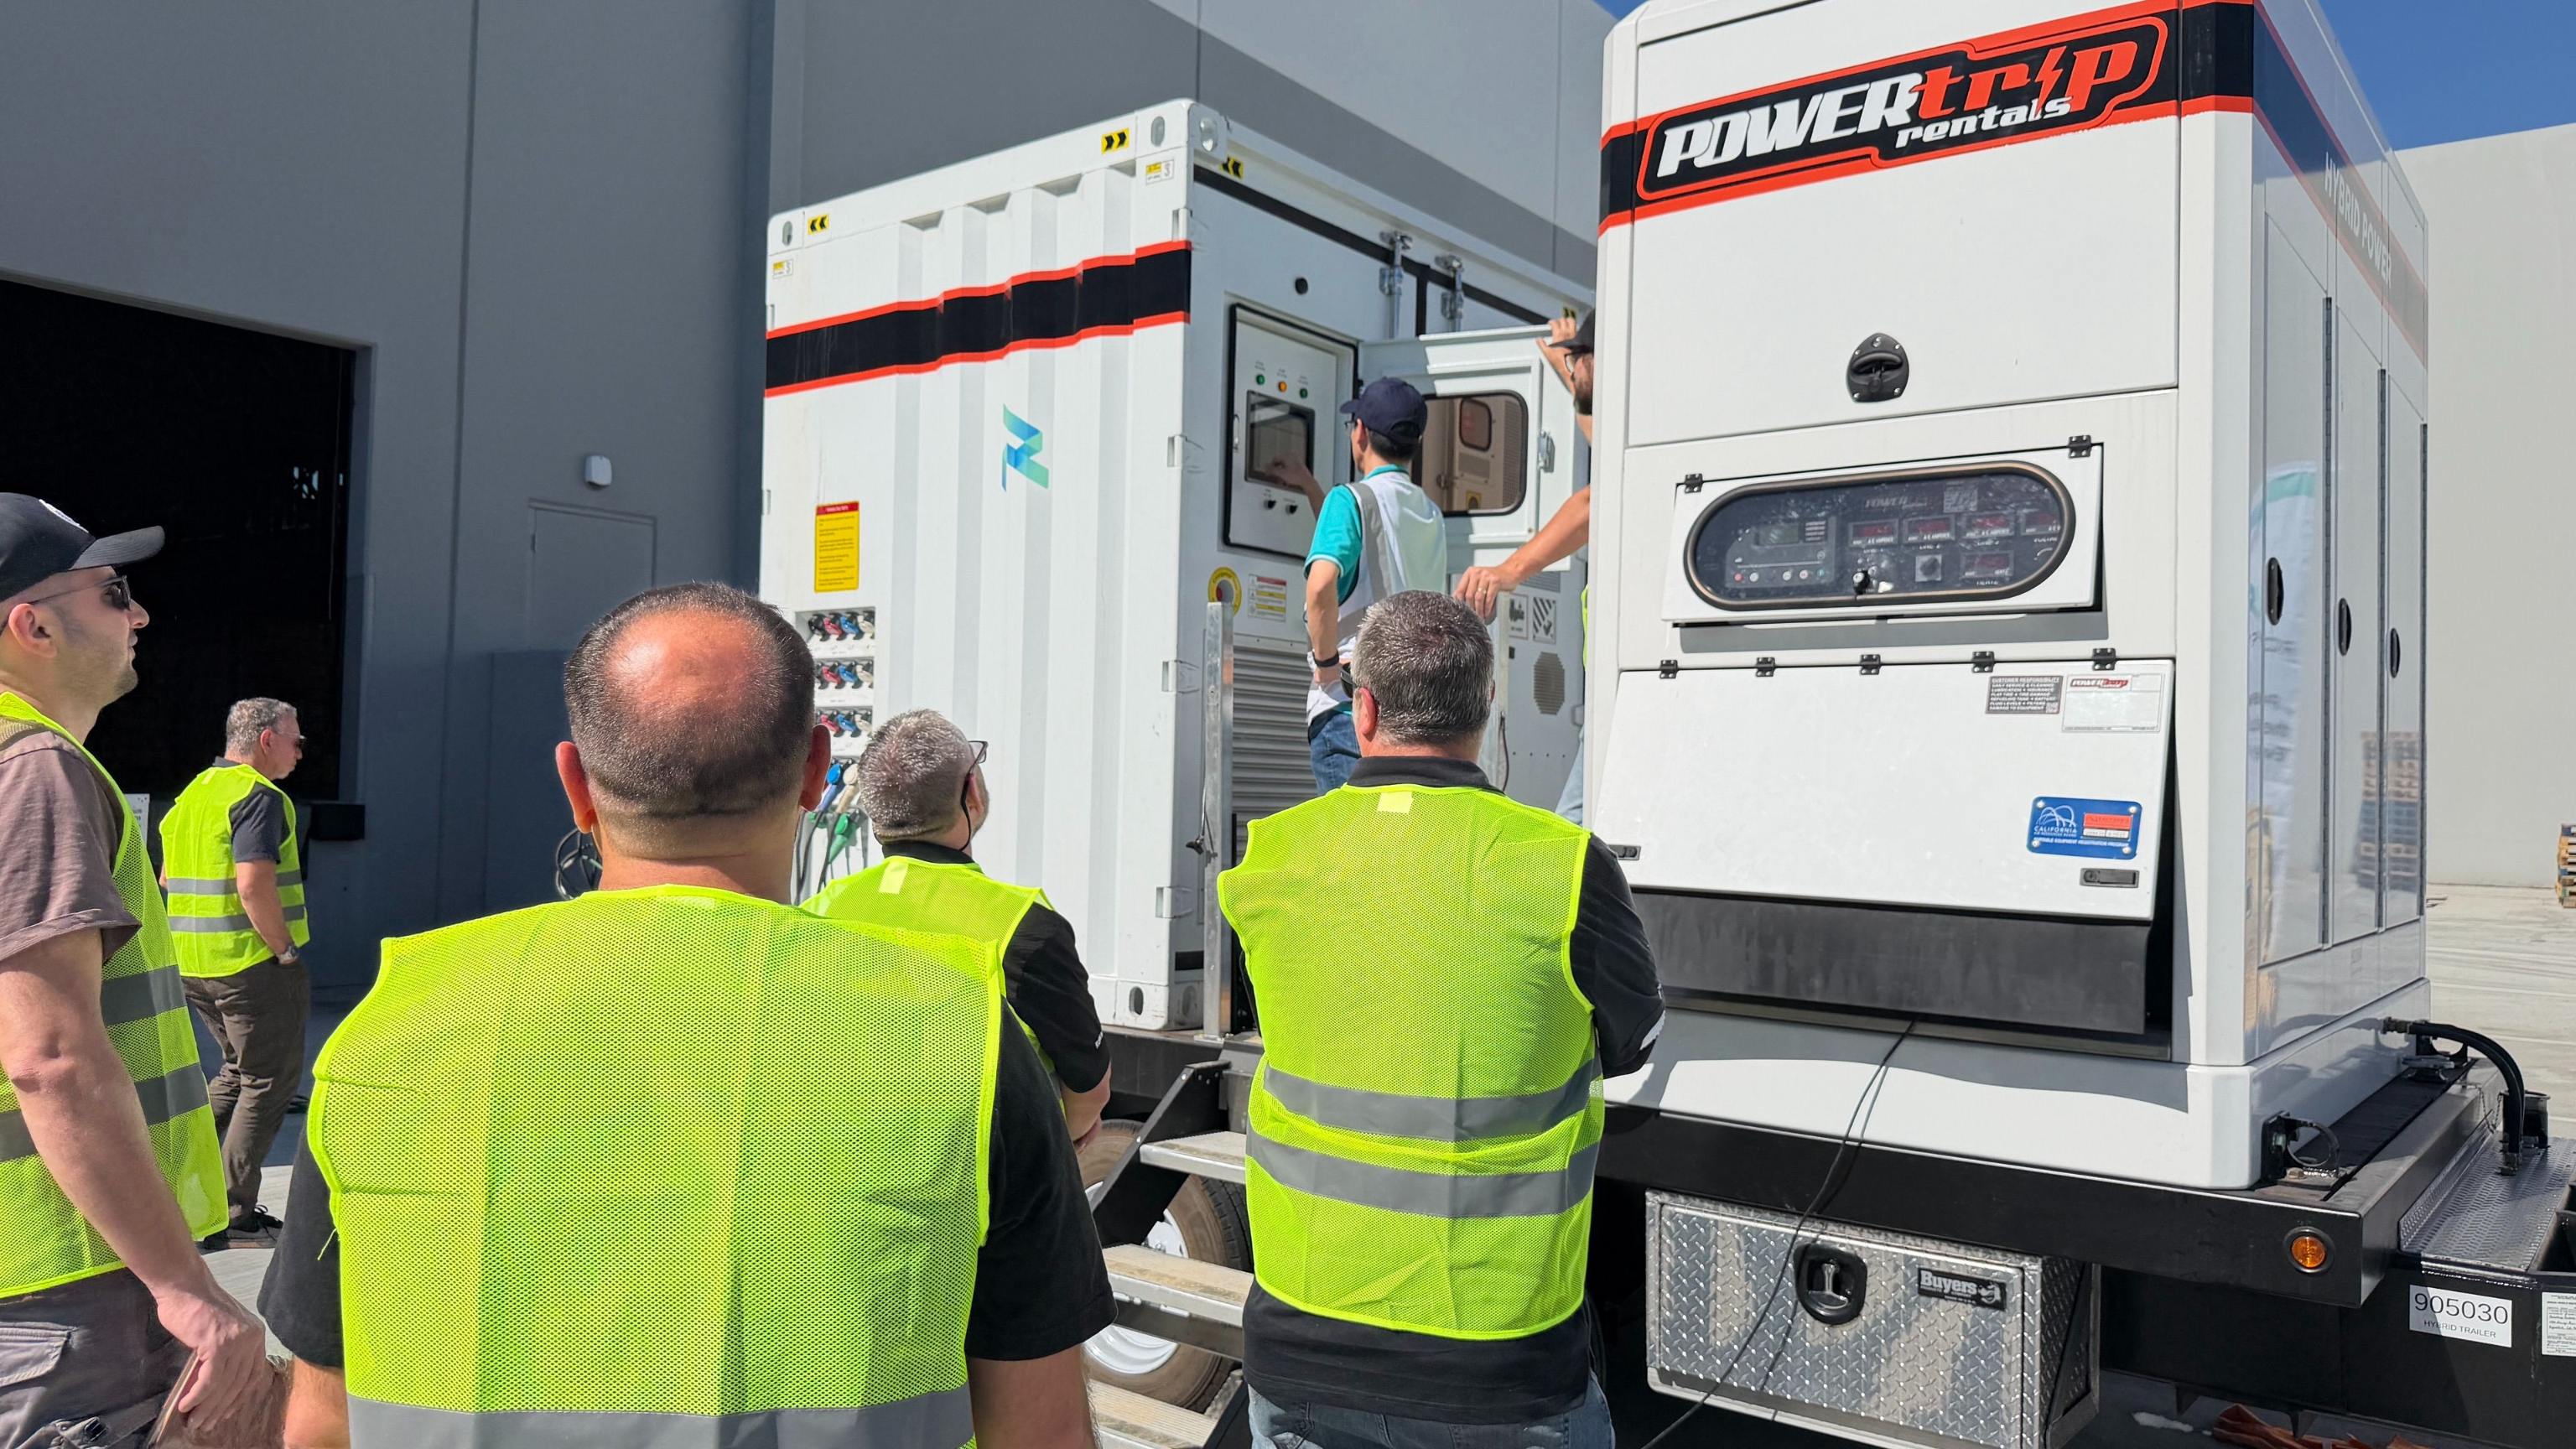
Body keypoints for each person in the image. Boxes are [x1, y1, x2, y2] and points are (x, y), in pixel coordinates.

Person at [262, 582, 1107, 1449]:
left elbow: (320, 1427)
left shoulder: (392, 1031)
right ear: (816, 772)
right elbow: (1044, 1435)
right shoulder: (961, 1037)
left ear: (576, 785)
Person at [1217, 589, 1664, 1449]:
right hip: (1498, 1363)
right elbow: (1633, 1042)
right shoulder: (1564, 866)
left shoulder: (1271, 856)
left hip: (1301, 1342)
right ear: (1486, 708)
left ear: (1364, 710)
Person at [0, 496, 269, 1445]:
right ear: (31, 627)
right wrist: (185, 1288)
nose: (140, 614)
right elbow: (51, 1058)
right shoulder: (35, 769)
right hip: (61, 1274)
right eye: (115, 592)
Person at [807, 709, 1114, 1143]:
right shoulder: (1023, 926)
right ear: (972, 794)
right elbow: (1089, 1091)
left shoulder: (821, 910)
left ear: (875, 811)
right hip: (981, 1181)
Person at [161, 696, 310, 1243]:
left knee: (235, 1072)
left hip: (195, 965)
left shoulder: (193, 795)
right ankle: (232, 1212)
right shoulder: (258, 797)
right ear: (267, 739)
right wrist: (284, 951)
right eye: (296, 741)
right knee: (268, 1082)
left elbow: (167, 879)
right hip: (251, 965)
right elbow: (253, 885)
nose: (300, 752)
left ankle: (176, 1184)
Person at [1267, 377, 1447, 792]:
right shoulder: (1429, 514)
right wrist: (1310, 487)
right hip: (1410, 716)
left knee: (1352, 835)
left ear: (1360, 432)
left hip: (1352, 711)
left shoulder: (1349, 500)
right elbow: (1367, 547)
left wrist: (1326, 664)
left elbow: (1321, 585)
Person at [1455, 311, 1597, 821]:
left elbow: (1592, 500)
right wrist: (1569, 372)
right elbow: (1601, 435)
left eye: (1579, 360)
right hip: (1613, 686)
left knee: (1573, 833)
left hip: (1626, 688)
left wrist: (1508, 572)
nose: (1573, 367)